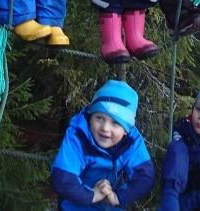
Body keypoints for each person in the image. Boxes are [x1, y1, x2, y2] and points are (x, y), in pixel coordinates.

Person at [51, 79, 155, 210]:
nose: (105, 128)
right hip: (75, 206)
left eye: (115, 123)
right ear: (91, 116)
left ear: (126, 130)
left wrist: (119, 197)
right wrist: (91, 195)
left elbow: (144, 176)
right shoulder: (79, 134)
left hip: (110, 205)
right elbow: (62, 177)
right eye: (99, 118)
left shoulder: (131, 141)